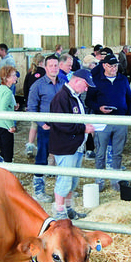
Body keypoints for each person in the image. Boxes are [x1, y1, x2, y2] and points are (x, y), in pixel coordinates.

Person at [48, 69, 96, 219]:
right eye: (86, 85)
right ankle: (59, 211)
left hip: (75, 145)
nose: (86, 89)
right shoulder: (62, 98)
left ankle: (69, 209)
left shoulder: (74, 96)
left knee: (72, 180)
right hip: (65, 147)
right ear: (77, 81)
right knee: (65, 179)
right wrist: (83, 128)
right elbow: (61, 124)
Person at [85, 53, 131, 192]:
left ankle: (115, 179)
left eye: (116, 65)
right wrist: (98, 108)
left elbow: (129, 98)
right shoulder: (96, 80)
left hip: (119, 120)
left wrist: (127, 117)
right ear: (104, 65)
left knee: (117, 153)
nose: (114, 68)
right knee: (100, 152)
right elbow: (89, 101)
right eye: (111, 65)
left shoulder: (122, 79)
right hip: (102, 121)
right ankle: (99, 180)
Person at [26, 55, 65, 202]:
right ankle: (39, 190)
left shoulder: (63, 83)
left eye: (56, 65)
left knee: (63, 156)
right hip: (46, 126)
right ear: (46, 67)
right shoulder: (38, 85)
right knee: (42, 155)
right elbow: (31, 108)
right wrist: (42, 124)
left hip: (62, 126)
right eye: (51, 66)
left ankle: (63, 190)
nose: (54, 68)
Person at [0, 66, 18, 163]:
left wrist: (13, 106)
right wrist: (11, 125)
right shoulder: (7, 92)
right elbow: (3, 109)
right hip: (4, 126)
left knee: (3, 151)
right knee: (8, 155)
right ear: (6, 78)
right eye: (14, 76)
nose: (16, 77)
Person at [23, 53, 46, 157]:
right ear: (42, 63)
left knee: (34, 125)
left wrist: (27, 103)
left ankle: (30, 146)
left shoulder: (29, 74)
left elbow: (25, 89)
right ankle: (43, 148)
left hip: (32, 104)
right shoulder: (46, 73)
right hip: (43, 104)